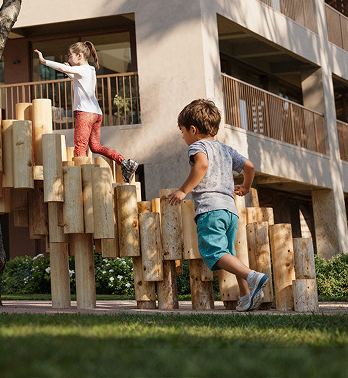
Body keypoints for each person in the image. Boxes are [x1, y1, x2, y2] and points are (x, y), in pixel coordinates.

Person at [163, 98, 270, 312]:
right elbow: (249, 166)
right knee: (228, 253)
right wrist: (245, 187)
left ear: (193, 130)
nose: (183, 136)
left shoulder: (197, 146)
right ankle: (246, 296)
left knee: (213, 252)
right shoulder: (226, 149)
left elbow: (202, 164)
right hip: (230, 210)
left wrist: (183, 190)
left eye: (182, 131)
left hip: (210, 209)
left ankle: (253, 277)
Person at [34, 42, 138, 180]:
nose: (69, 59)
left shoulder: (82, 69)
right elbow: (72, 74)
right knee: (95, 147)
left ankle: (82, 181)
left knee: (80, 148)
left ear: (79, 56)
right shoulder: (89, 70)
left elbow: (64, 68)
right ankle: (124, 162)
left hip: (85, 114)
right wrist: (67, 70)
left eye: (70, 56)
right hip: (96, 113)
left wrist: (44, 61)